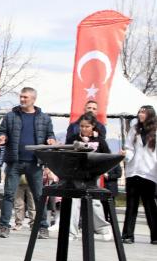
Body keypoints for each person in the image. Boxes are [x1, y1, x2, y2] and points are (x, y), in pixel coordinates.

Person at [0, 87, 56, 239]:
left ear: (33, 99)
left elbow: (50, 134)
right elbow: (2, 131)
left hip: (35, 163)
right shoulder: (10, 116)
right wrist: (2, 137)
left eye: (26, 97)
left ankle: (43, 227)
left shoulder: (44, 118)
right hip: (14, 162)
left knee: (38, 196)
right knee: (9, 195)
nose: (22, 99)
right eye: (21, 97)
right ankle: (4, 227)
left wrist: (51, 140)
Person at [65, 113, 113, 241]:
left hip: (92, 175)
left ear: (93, 126)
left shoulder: (100, 140)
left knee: (94, 202)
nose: (84, 129)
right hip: (76, 174)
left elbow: (107, 156)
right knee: (75, 202)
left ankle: (103, 228)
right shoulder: (73, 138)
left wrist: (103, 170)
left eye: (87, 126)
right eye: (81, 126)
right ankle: (71, 232)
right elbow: (66, 154)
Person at [121, 105, 157, 244]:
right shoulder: (134, 129)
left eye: (143, 112)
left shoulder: (155, 131)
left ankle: (155, 235)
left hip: (149, 172)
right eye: (140, 111)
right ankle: (128, 235)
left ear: (150, 114)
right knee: (131, 204)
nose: (140, 114)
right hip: (133, 171)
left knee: (150, 205)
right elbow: (129, 147)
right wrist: (126, 155)